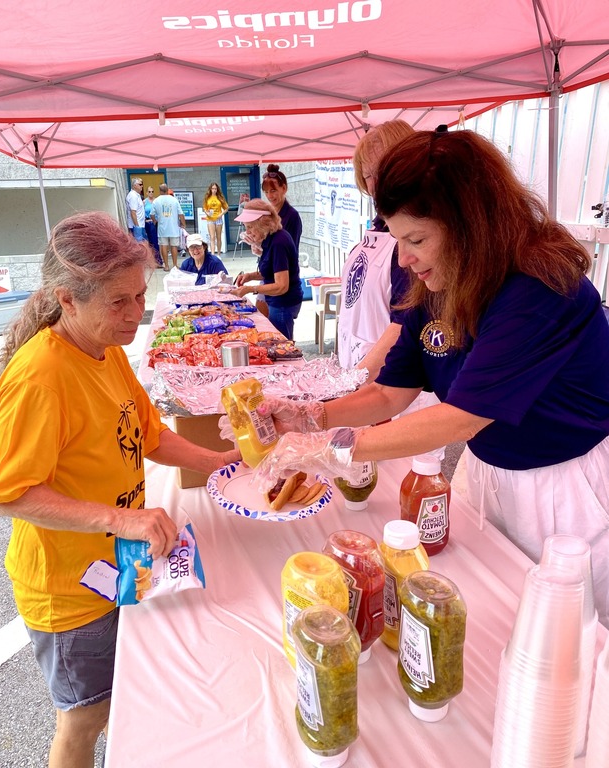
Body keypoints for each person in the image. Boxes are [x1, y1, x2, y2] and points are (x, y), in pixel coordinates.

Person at [248, 130, 609, 626]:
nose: (403, 259)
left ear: (471, 226)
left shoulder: (539, 287)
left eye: (416, 240)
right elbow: (390, 391)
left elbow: (460, 419)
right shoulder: (437, 283)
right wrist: (310, 417)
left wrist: (332, 447)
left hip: (562, 489)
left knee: (563, 637)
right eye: (398, 240)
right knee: (482, 613)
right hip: (486, 475)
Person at [0, 212, 239, 768]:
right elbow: (10, 495)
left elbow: (148, 434)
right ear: (67, 300)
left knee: (119, 696)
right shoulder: (40, 377)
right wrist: (124, 520)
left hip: (115, 563)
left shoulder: (109, 350)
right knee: (84, 719)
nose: (136, 313)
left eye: (139, 295)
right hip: (68, 588)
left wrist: (221, 461)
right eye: (118, 301)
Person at [339, 120, 413, 375]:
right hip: (362, 378)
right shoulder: (374, 233)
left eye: (381, 171)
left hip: (387, 386)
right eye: (368, 176)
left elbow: (404, 326)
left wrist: (355, 384)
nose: (374, 185)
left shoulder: (411, 247)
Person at [229, 199, 303, 340]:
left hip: (283, 303)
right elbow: (272, 271)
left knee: (282, 344)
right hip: (278, 302)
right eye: (246, 227)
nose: (247, 232)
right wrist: (250, 276)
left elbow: (281, 285)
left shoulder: (278, 243)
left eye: (250, 227)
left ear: (263, 224)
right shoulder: (271, 239)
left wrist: (250, 289)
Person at [258, 164, 303, 317]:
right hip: (268, 275)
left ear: (284, 188)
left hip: (283, 283)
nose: (270, 196)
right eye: (266, 192)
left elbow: (287, 251)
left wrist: (262, 247)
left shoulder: (292, 216)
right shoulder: (268, 213)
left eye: (274, 190)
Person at [153, 183, 186, 271]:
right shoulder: (174, 200)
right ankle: (175, 265)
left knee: (164, 246)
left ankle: (166, 265)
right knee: (174, 246)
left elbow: (151, 214)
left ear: (159, 191)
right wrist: (183, 224)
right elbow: (181, 214)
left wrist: (155, 221)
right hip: (173, 227)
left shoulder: (156, 201)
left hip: (162, 227)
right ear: (167, 190)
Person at [203, 182, 229, 257]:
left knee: (218, 236)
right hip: (210, 218)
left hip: (218, 218)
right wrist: (207, 212)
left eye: (215, 189)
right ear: (210, 189)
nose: (214, 190)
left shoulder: (220, 197)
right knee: (212, 237)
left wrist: (221, 214)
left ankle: (219, 254)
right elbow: (204, 207)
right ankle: (213, 254)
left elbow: (226, 208)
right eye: (213, 189)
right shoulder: (207, 197)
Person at [144, 184, 161, 266]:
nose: (151, 193)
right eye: (149, 192)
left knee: (155, 241)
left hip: (155, 222)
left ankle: (158, 260)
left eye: (152, 192)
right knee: (149, 242)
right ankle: (150, 260)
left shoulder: (156, 201)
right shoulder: (144, 202)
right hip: (147, 222)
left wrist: (155, 220)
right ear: (147, 193)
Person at [125, 177, 145, 241]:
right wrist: (137, 227)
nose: (142, 186)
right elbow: (133, 212)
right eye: (140, 184)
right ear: (135, 185)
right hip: (136, 226)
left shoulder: (137, 195)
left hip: (140, 225)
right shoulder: (133, 196)